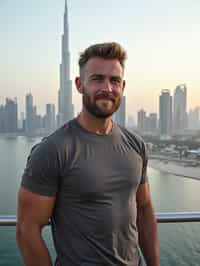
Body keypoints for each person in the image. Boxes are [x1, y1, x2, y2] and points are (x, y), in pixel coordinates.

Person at [16, 42, 160, 266]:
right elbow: (27, 231)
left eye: (114, 81)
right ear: (79, 84)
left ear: (123, 86)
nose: (107, 88)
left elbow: (143, 209)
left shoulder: (136, 145)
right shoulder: (52, 150)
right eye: (97, 79)